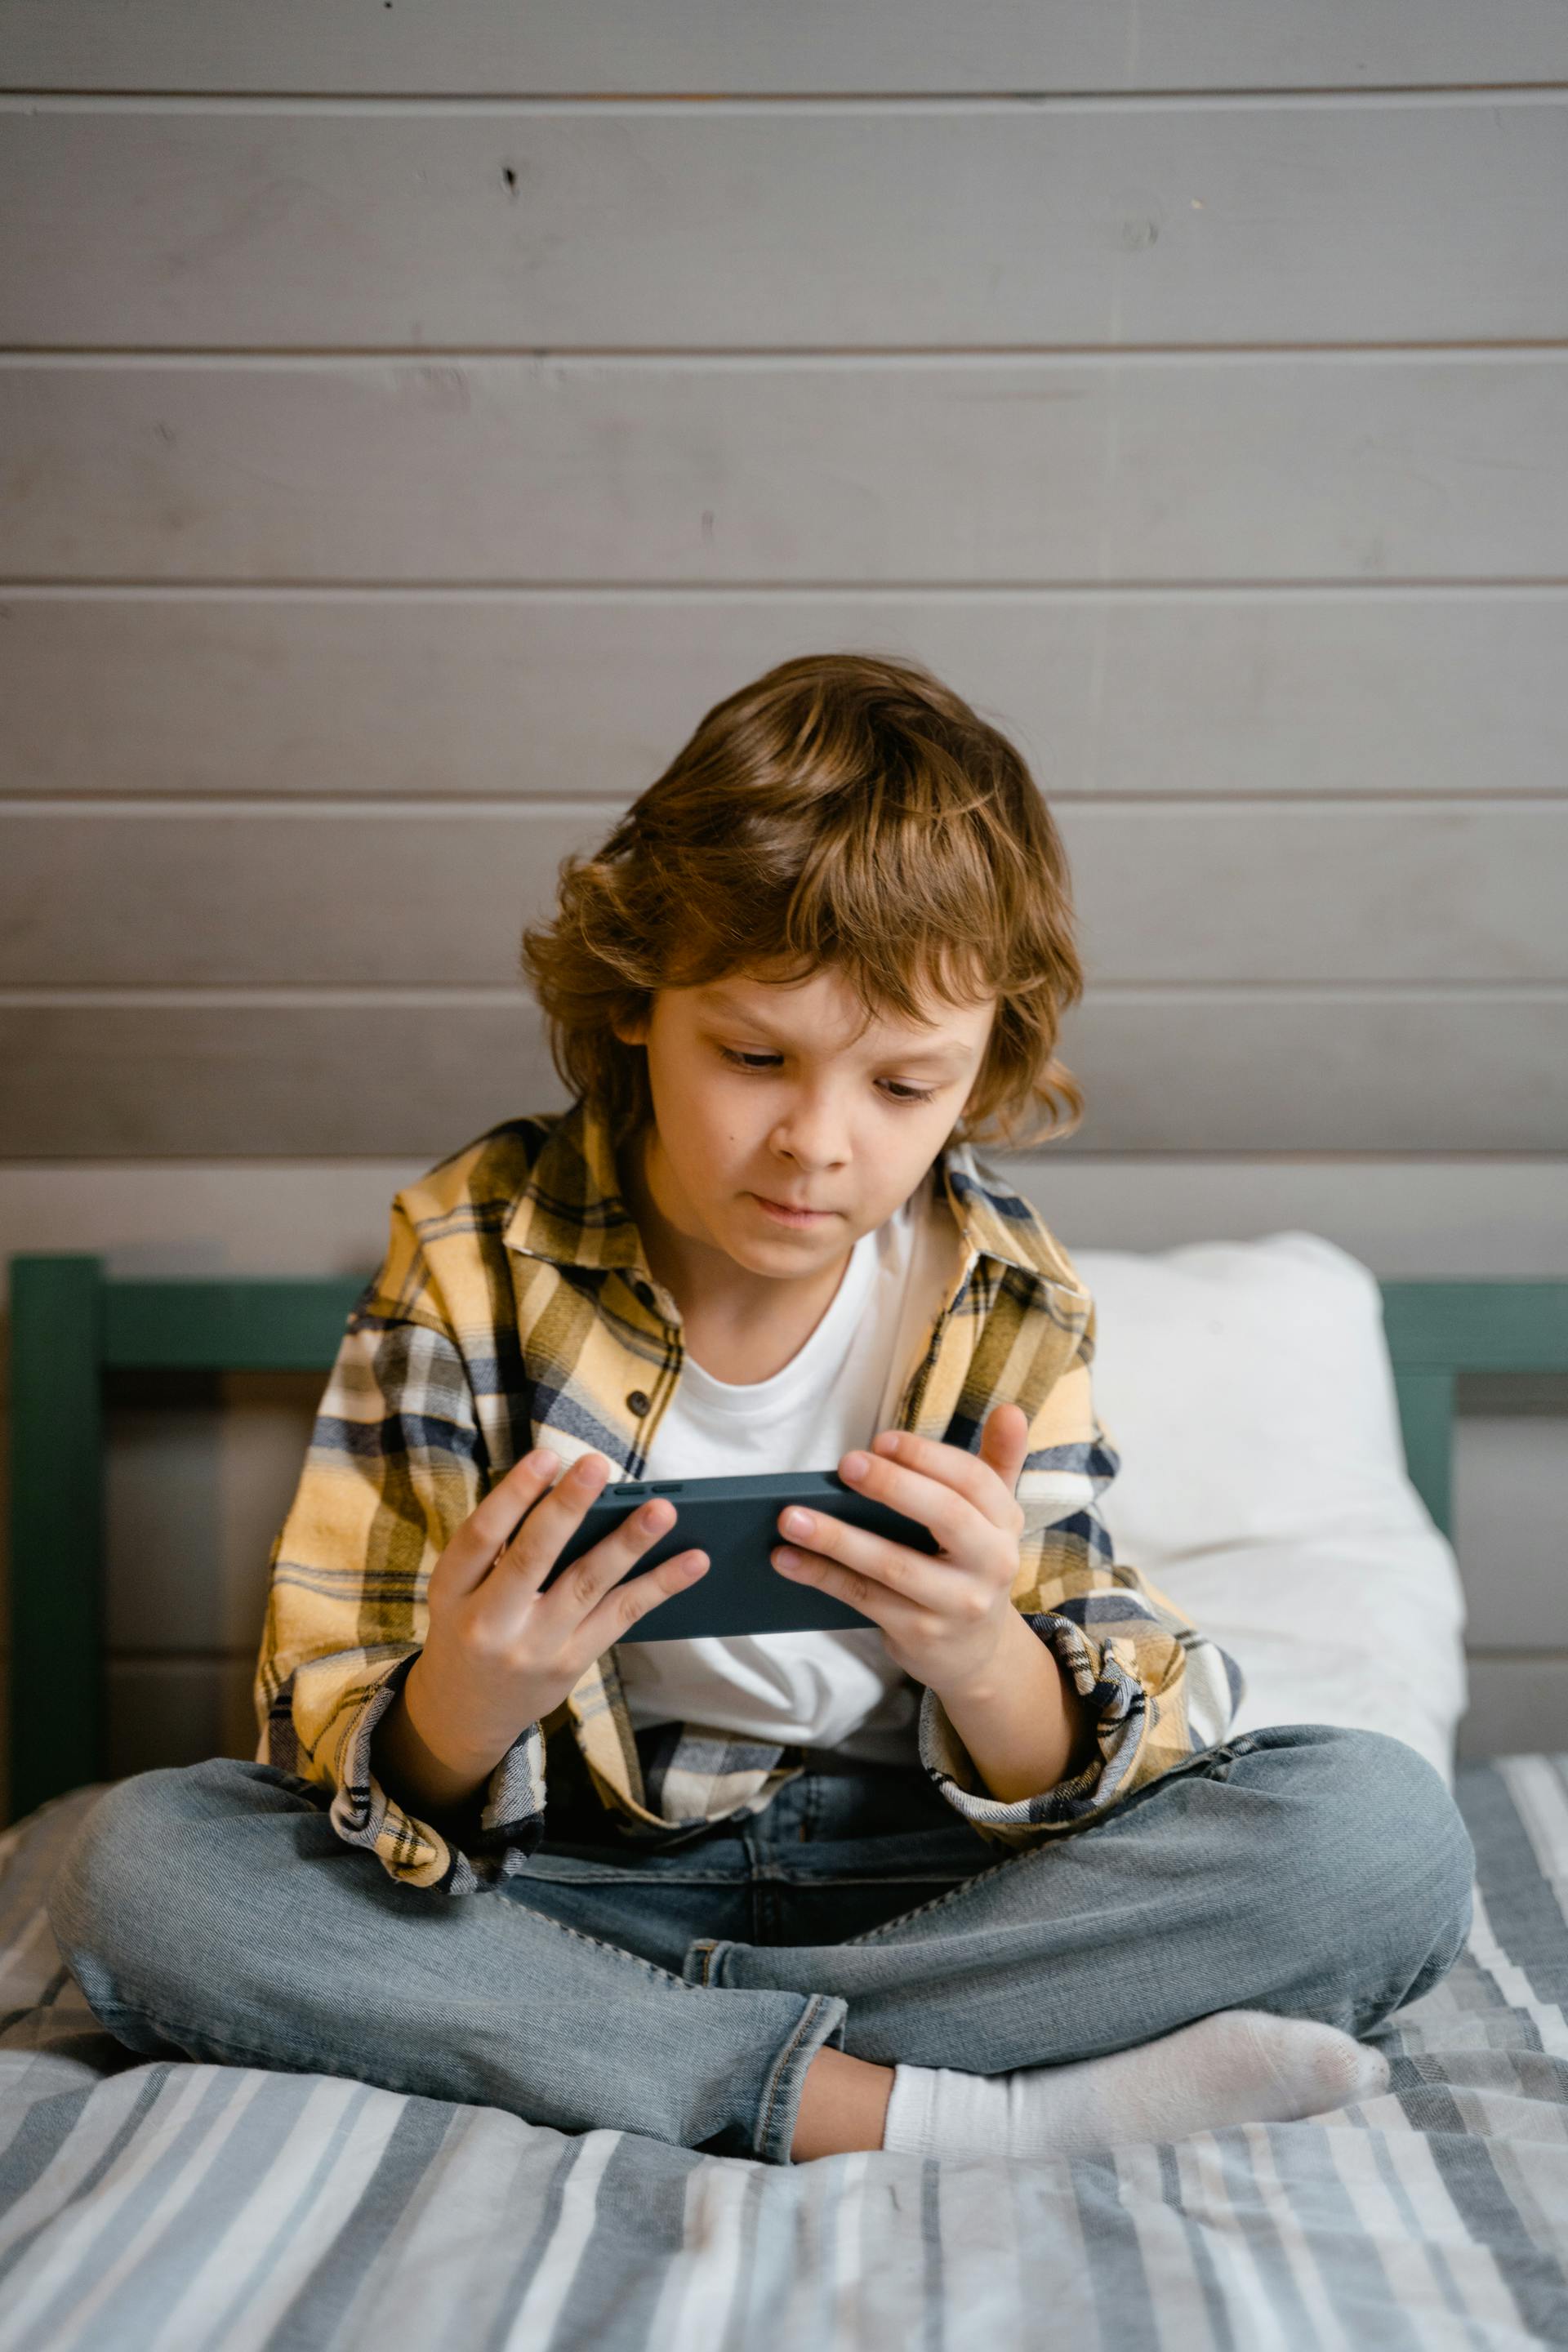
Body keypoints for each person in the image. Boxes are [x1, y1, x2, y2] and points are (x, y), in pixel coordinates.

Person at [47, 651, 1475, 2169]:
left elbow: (1090, 1736)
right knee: (141, 1874)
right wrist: (464, 1697)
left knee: (1379, 1838)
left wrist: (983, 1653)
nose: (818, 1144)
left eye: (905, 1088)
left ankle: (608, 2043)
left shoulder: (1004, 1286)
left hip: (918, 1885)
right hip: (569, 1878)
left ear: (985, 1065)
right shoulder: (478, 1246)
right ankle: (918, 2101)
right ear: (639, 1005)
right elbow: (336, 1726)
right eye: (752, 1057)